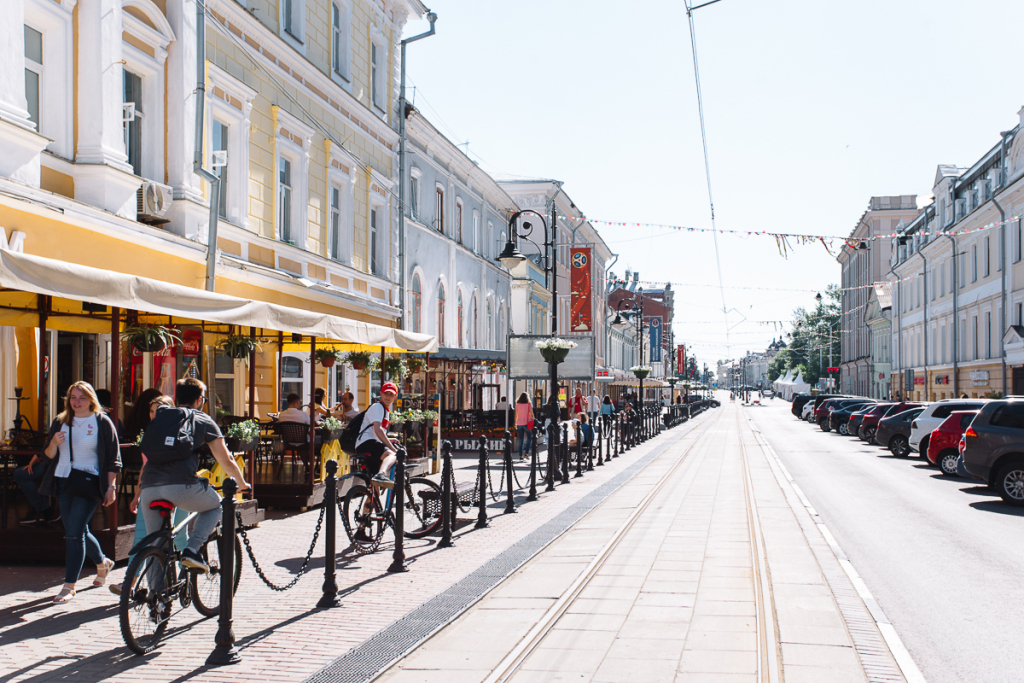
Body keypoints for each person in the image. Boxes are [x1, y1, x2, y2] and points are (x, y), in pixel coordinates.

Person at [138, 378, 249, 573]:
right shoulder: (202, 420)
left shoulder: (162, 417)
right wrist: (241, 483)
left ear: (177, 398)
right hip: (182, 487)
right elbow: (226, 460)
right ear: (199, 400)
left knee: (156, 545)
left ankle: (157, 600)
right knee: (215, 505)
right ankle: (192, 549)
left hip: (149, 488)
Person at [36, 382, 121, 603]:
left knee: (73, 534)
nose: (76, 402)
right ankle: (103, 562)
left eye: (81, 397)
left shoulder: (102, 422)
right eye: (73, 397)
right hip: (63, 480)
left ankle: (69, 586)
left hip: (90, 481)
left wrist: (111, 487)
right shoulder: (60, 421)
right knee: (78, 529)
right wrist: (54, 442)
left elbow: (114, 459)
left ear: (91, 400)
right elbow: (47, 455)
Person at [110, 395, 185, 596]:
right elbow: (145, 467)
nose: (154, 414)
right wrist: (137, 496)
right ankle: (130, 582)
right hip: (152, 490)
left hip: (177, 489)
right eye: (152, 411)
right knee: (142, 538)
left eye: (159, 410)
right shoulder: (149, 434)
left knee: (180, 538)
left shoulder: (181, 431)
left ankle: (186, 579)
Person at [354, 382, 399, 490]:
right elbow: (377, 430)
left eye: (391, 394)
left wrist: (389, 439)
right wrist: (393, 449)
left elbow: (378, 432)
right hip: (366, 443)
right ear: (381, 394)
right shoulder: (378, 407)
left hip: (369, 444)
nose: (388, 397)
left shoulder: (385, 410)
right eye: (385, 393)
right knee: (392, 455)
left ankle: (369, 504)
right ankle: (381, 474)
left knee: (374, 490)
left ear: (395, 397)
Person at [515, 393, 534, 461]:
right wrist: (533, 420)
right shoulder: (529, 404)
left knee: (521, 439)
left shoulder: (517, 405)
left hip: (519, 423)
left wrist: (515, 423)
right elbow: (531, 414)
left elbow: (516, 415)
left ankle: (520, 455)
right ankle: (526, 453)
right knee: (529, 437)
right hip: (527, 423)